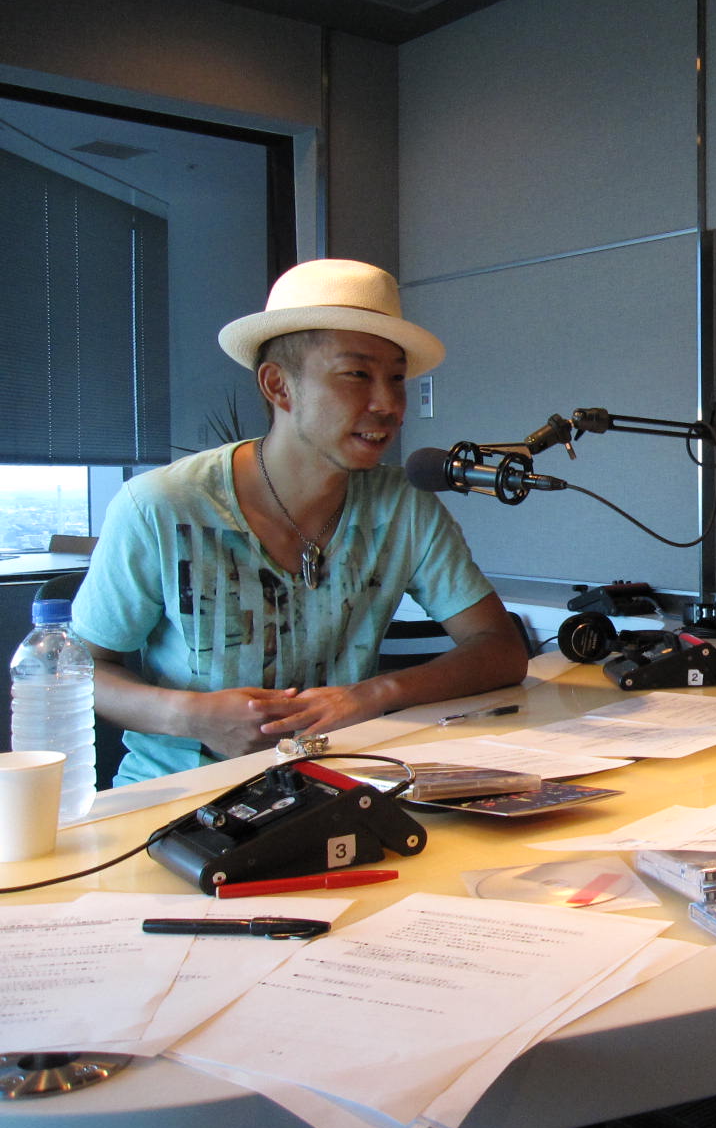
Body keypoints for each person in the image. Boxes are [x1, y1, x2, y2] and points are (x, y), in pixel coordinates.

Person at [73, 259, 529, 784]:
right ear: (279, 386)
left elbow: (499, 649)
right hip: (176, 796)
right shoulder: (160, 504)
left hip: (336, 785)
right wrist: (192, 716)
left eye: (397, 379)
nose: (388, 404)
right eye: (357, 374)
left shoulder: (404, 505)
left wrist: (373, 694)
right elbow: (77, 671)